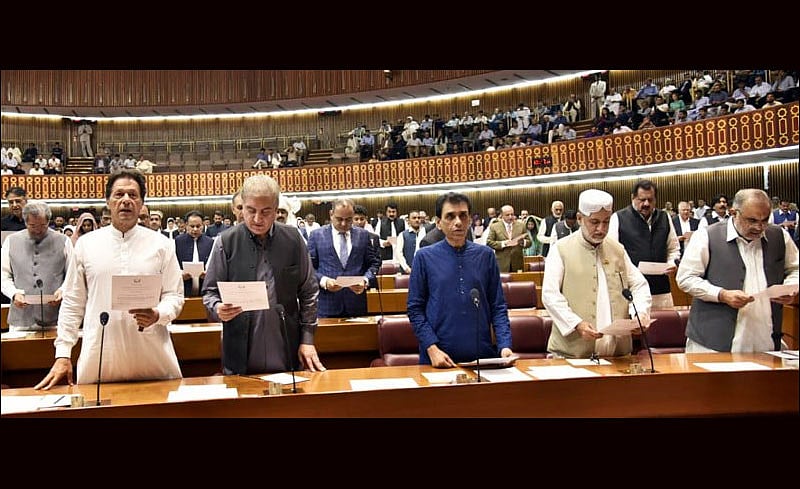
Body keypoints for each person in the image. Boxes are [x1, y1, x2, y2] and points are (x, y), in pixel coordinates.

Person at [35, 169, 185, 388]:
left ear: (142, 202)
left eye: (133, 195)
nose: (126, 200)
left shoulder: (162, 245)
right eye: (119, 195)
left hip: (152, 354)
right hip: (100, 353)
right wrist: (63, 353)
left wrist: (158, 314)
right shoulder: (86, 245)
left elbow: (174, 295)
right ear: (108, 201)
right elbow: (73, 302)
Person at [202, 174, 326, 374]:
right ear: (241, 207)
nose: (257, 219)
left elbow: (308, 291)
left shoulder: (294, 239)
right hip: (241, 346)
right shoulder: (225, 242)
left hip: (286, 341)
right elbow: (209, 292)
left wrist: (308, 339)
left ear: (276, 210)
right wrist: (217, 308)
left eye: (266, 212)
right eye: (251, 210)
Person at [677, 189, 799, 353]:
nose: (759, 227)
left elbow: (795, 269)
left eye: (764, 220)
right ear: (734, 212)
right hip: (713, 342)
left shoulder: (779, 236)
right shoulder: (706, 236)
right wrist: (721, 294)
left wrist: (790, 288)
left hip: (765, 338)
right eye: (752, 220)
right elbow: (686, 278)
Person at [407, 191, 514, 367]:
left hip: (482, 356)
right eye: (450, 216)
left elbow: (498, 306)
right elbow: (415, 309)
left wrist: (504, 345)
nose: (458, 222)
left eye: (463, 215)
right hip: (438, 358)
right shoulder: (424, 257)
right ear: (438, 223)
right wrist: (432, 349)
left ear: (470, 219)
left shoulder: (485, 255)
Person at [542, 189, 652, 359]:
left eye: (606, 222)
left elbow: (639, 285)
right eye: (594, 222)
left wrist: (640, 313)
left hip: (618, 354)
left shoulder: (617, 249)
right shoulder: (561, 249)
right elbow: (550, 295)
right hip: (573, 354)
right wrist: (576, 324)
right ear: (579, 219)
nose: (601, 229)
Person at [1, 200, 73, 331]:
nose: (38, 230)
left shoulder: (64, 241)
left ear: (48, 221)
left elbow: (72, 274)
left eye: (43, 225)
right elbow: (3, 275)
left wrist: (63, 290)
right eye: (33, 226)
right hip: (20, 320)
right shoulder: (11, 241)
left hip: (55, 318)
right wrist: (13, 293)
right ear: (25, 222)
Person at [607, 179, 680, 309]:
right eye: (642, 200)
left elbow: (673, 248)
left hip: (661, 290)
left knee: (665, 327)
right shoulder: (618, 218)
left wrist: (672, 263)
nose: (646, 204)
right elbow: (611, 253)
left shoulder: (664, 217)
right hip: (633, 291)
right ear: (633, 198)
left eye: (650, 200)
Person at [307, 198, 381, 318]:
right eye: (339, 219)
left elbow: (373, 264)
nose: (343, 224)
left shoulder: (363, 235)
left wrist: (365, 280)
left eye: (348, 220)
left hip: (356, 304)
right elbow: (308, 267)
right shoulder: (316, 236)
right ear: (331, 214)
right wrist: (324, 281)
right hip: (327, 304)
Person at [174, 210, 214, 297]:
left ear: (203, 226)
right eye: (192, 226)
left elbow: (214, 264)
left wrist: (208, 274)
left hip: (204, 287)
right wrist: (180, 274)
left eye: (198, 226)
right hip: (184, 287)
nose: (195, 229)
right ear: (186, 225)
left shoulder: (210, 242)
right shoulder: (178, 241)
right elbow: (173, 264)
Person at [486, 204, 531, 273]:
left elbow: (529, 242)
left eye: (512, 214)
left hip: (517, 263)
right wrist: (504, 244)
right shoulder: (494, 226)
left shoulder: (521, 225)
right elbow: (489, 242)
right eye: (507, 215)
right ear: (501, 215)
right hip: (502, 263)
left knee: (518, 282)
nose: (510, 217)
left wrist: (523, 242)